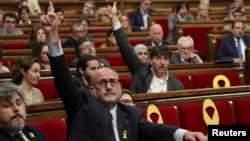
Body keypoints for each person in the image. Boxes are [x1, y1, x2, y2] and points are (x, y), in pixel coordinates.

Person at [40, 2, 207, 141]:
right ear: (92, 89)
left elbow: (153, 129)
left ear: (120, 87)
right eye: (102, 82)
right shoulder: (81, 104)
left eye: (112, 82)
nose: (108, 86)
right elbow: (63, 79)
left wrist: (184, 134)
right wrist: (53, 35)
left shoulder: (130, 113)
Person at [112, 3, 184, 94]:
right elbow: (125, 48)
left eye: (165, 59)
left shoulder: (177, 85)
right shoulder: (141, 71)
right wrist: (114, 18)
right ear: (150, 60)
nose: (162, 62)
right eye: (158, 58)